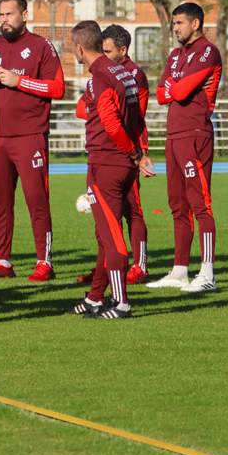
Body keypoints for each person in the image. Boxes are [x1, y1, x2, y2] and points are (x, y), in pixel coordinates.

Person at [67, 21, 155, 319]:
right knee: (107, 233)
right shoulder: (123, 72)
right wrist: (138, 154)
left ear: (80, 48)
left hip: (108, 162)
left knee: (112, 236)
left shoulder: (102, 77)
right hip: (122, 162)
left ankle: (122, 303)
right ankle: (94, 298)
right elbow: (136, 117)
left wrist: (132, 152)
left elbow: (111, 121)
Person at [0, 0, 66, 281]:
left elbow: (57, 89)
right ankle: (2, 260)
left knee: (36, 199)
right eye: (1, 14)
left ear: (25, 15)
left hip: (30, 136)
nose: (4, 19)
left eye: (10, 14)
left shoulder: (41, 46)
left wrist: (19, 81)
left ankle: (44, 261)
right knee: (0, 202)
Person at [148, 2, 221, 293]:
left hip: (195, 133)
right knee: (177, 205)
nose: (175, 28)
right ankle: (180, 270)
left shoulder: (208, 51)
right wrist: (175, 87)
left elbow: (176, 90)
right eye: (174, 23)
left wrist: (176, 87)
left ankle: (208, 273)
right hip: (174, 134)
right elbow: (161, 93)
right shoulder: (176, 54)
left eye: (180, 23)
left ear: (195, 24)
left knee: (200, 204)